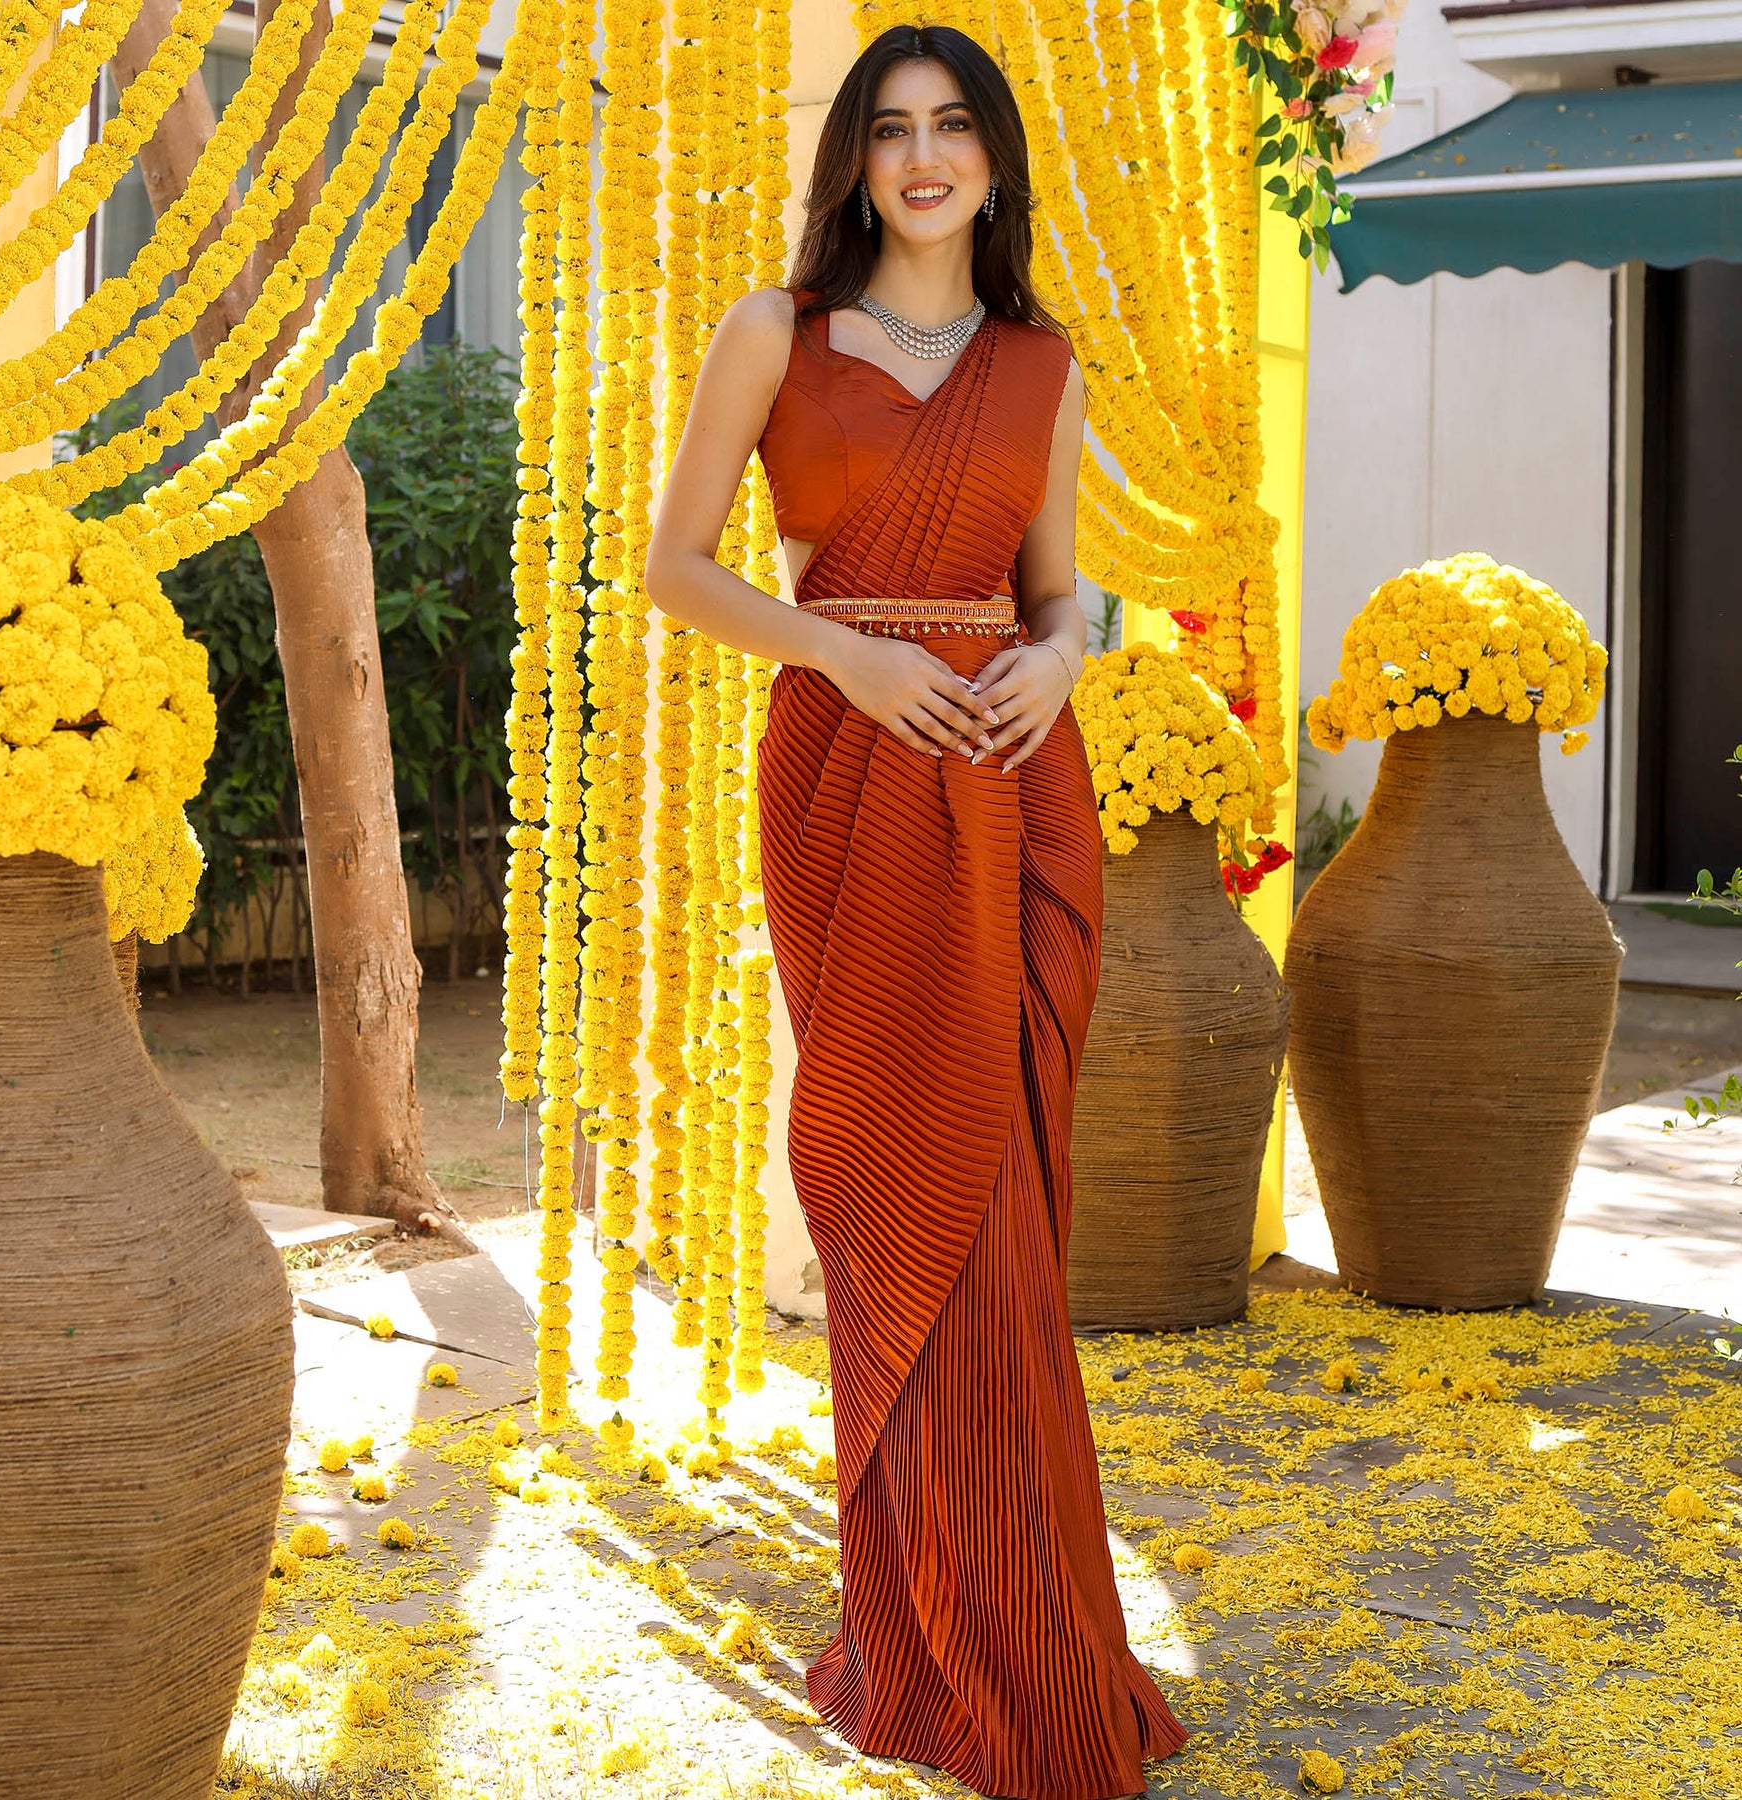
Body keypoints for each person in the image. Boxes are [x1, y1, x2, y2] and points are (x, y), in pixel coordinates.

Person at [643, 21, 1192, 1800]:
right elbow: (678, 566)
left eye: (954, 126)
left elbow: (1061, 600)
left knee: (1008, 1200)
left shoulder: (1044, 365)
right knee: (892, 1177)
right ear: (857, 162)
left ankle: (1022, 1628)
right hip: (849, 766)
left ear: (993, 156)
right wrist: (844, 654)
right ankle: (926, 1625)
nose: (925, 157)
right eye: (893, 130)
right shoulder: (773, 336)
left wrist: (1058, 664)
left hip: (1015, 785)